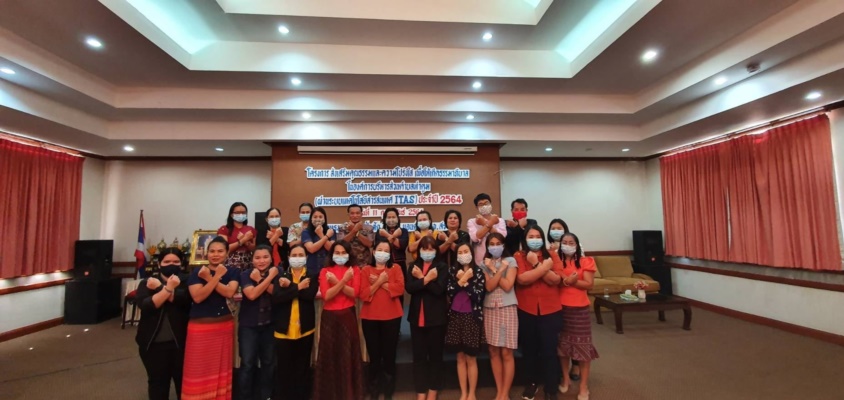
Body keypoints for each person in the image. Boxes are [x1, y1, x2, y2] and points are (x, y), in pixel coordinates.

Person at [183, 236, 240, 400]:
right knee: (198, 368)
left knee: (221, 368)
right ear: (206, 253)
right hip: (200, 328)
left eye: (220, 251)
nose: (216, 255)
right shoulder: (197, 272)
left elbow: (229, 292)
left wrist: (209, 278)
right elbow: (198, 297)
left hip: (224, 327)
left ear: (227, 253)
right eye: (212, 251)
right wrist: (215, 277)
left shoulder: (233, 271)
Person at [515, 226, 565, 400]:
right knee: (529, 350)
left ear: (543, 238)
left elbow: (556, 280)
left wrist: (536, 265)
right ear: (525, 239)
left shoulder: (552, 255)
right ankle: (531, 383)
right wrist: (544, 269)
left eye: (538, 236)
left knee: (549, 350)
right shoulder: (519, 256)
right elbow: (522, 279)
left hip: (550, 310)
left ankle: (551, 388)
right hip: (526, 309)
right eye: (531, 236)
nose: (535, 239)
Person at [135, 248, 191, 400]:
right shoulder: (147, 282)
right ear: (159, 264)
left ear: (181, 264)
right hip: (153, 344)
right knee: (158, 384)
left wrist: (161, 288)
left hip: (181, 343)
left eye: (176, 261)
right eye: (167, 261)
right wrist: (168, 289)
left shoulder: (187, 281)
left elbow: (183, 300)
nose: (171, 264)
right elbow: (148, 305)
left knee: (183, 384)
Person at [313, 241, 365, 400]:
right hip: (330, 318)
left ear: (349, 254)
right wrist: (342, 281)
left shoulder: (354, 270)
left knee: (347, 356)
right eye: (337, 252)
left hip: (348, 315)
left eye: (343, 252)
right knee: (330, 355)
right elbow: (327, 295)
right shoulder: (325, 271)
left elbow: (354, 293)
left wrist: (336, 282)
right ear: (332, 255)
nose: (340, 255)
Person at [359, 241, 405, 400]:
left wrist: (381, 283)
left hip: (392, 317)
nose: (383, 253)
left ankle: (388, 390)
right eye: (380, 249)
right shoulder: (366, 270)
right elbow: (363, 294)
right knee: (374, 356)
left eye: (386, 250)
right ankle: (374, 389)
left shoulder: (395, 268)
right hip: (370, 317)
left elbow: (399, 289)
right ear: (373, 252)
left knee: (389, 355)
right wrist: (380, 282)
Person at [273, 245, 319, 400]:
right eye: (294, 255)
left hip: (305, 330)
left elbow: (309, 296)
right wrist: (298, 287)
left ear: (306, 257)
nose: (297, 258)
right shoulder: (281, 275)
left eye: (301, 255)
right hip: (283, 331)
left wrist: (290, 287)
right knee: (284, 370)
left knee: (302, 369)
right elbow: (277, 298)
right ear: (288, 257)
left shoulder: (312, 276)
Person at [406, 236, 449, 400]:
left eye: (431, 249)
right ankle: (421, 391)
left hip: (436, 319)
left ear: (436, 251)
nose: (428, 252)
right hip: (417, 319)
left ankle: (433, 390)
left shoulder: (442, 267)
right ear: (419, 250)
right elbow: (410, 288)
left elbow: (439, 290)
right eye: (425, 249)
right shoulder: (413, 266)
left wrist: (423, 279)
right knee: (419, 357)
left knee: (435, 357)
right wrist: (427, 279)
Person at [556, 233, 598, 400]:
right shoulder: (557, 262)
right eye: (564, 242)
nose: (567, 245)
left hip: (579, 309)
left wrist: (572, 282)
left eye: (571, 242)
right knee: (563, 347)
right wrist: (567, 280)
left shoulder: (586, 261)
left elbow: (589, 284)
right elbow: (555, 281)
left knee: (583, 347)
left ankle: (583, 386)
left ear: (577, 244)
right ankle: (566, 379)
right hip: (560, 308)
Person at [445, 242, 486, 400]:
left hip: (472, 316)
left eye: (466, 251)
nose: (463, 255)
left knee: (471, 357)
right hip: (455, 316)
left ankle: (472, 393)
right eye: (460, 252)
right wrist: (460, 280)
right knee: (460, 357)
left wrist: (466, 281)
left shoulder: (478, 272)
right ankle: (463, 392)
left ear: (471, 253)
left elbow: (478, 296)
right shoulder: (452, 271)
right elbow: (450, 291)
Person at [480, 233, 518, 400]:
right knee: (493, 351)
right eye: (492, 244)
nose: (495, 246)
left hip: (507, 308)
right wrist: (498, 271)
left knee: (507, 352)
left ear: (503, 245)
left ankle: (505, 393)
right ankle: (499, 390)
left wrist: (496, 270)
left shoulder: (510, 261)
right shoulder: (484, 264)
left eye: (498, 243)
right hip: (490, 309)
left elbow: (508, 285)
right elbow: (489, 287)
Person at [238, 245, 280, 400]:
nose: (261, 261)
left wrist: (261, 280)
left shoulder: (278, 272)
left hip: (270, 325)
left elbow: (277, 293)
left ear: (271, 258)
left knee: (268, 363)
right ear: (252, 260)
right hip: (248, 327)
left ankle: (266, 396)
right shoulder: (246, 274)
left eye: (265, 257)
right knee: (248, 364)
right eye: (257, 258)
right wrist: (267, 279)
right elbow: (252, 294)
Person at [466, 193, 507, 265]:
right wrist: (491, 222)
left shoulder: (500, 220)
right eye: (481, 204)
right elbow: (475, 238)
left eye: (486, 203)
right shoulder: (472, 221)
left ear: (490, 204)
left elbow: (501, 237)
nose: (484, 206)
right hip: (480, 260)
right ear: (476, 207)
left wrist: (483, 223)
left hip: (499, 259)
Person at [217, 202, 257, 271]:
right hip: (230, 264)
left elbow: (254, 250)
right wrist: (242, 240)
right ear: (231, 214)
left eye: (243, 212)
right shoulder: (224, 229)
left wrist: (246, 242)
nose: (241, 215)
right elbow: (224, 249)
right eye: (237, 213)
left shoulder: (251, 229)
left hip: (247, 263)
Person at [301, 207, 335, 276]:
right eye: (315, 217)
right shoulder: (306, 232)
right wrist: (326, 237)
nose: (318, 219)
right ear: (311, 218)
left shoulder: (331, 231)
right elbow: (311, 249)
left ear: (324, 218)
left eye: (320, 217)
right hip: (313, 269)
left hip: (328, 268)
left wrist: (321, 234)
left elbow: (331, 249)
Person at [375, 207, 409, 273]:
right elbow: (381, 246)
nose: (391, 219)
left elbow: (401, 245)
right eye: (389, 217)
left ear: (397, 218)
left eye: (393, 217)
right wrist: (394, 236)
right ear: (385, 219)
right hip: (384, 263)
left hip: (400, 264)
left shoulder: (403, 231)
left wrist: (387, 235)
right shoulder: (380, 232)